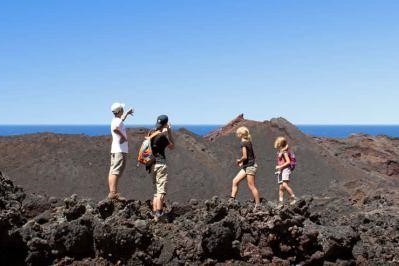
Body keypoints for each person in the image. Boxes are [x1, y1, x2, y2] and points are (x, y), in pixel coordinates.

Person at [107, 102, 134, 201]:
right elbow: (116, 129)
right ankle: (113, 193)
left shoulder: (115, 120)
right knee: (116, 171)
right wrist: (123, 137)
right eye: (122, 109)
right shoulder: (117, 122)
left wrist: (127, 113)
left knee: (112, 170)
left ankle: (112, 192)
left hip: (115, 149)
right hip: (120, 150)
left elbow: (120, 121)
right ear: (120, 111)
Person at [230, 126, 261, 210]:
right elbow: (254, 156)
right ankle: (231, 200)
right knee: (235, 181)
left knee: (251, 186)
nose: (237, 134)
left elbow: (245, 156)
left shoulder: (243, 143)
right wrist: (244, 163)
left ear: (241, 134)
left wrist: (239, 161)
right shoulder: (249, 142)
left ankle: (258, 205)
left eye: (237, 133)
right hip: (248, 166)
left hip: (250, 167)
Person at [151, 115, 175, 221]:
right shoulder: (162, 136)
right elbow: (172, 146)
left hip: (152, 165)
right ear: (165, 124)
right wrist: (169, 131)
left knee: (156, 191)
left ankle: (155, 213)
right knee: (161, 191)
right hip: (161, 165)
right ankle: (160, 215)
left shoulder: (151, 134)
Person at [274, 136, 297, 207]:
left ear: (280, 144)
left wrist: (280, 167)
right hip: (281, 170)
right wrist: (279, 169)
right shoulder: (280, 152)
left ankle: (293, 197)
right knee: (281, 187)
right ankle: (281, 202)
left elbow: (288, 162)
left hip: (286, 170)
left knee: (284, 185)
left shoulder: (284, 152)